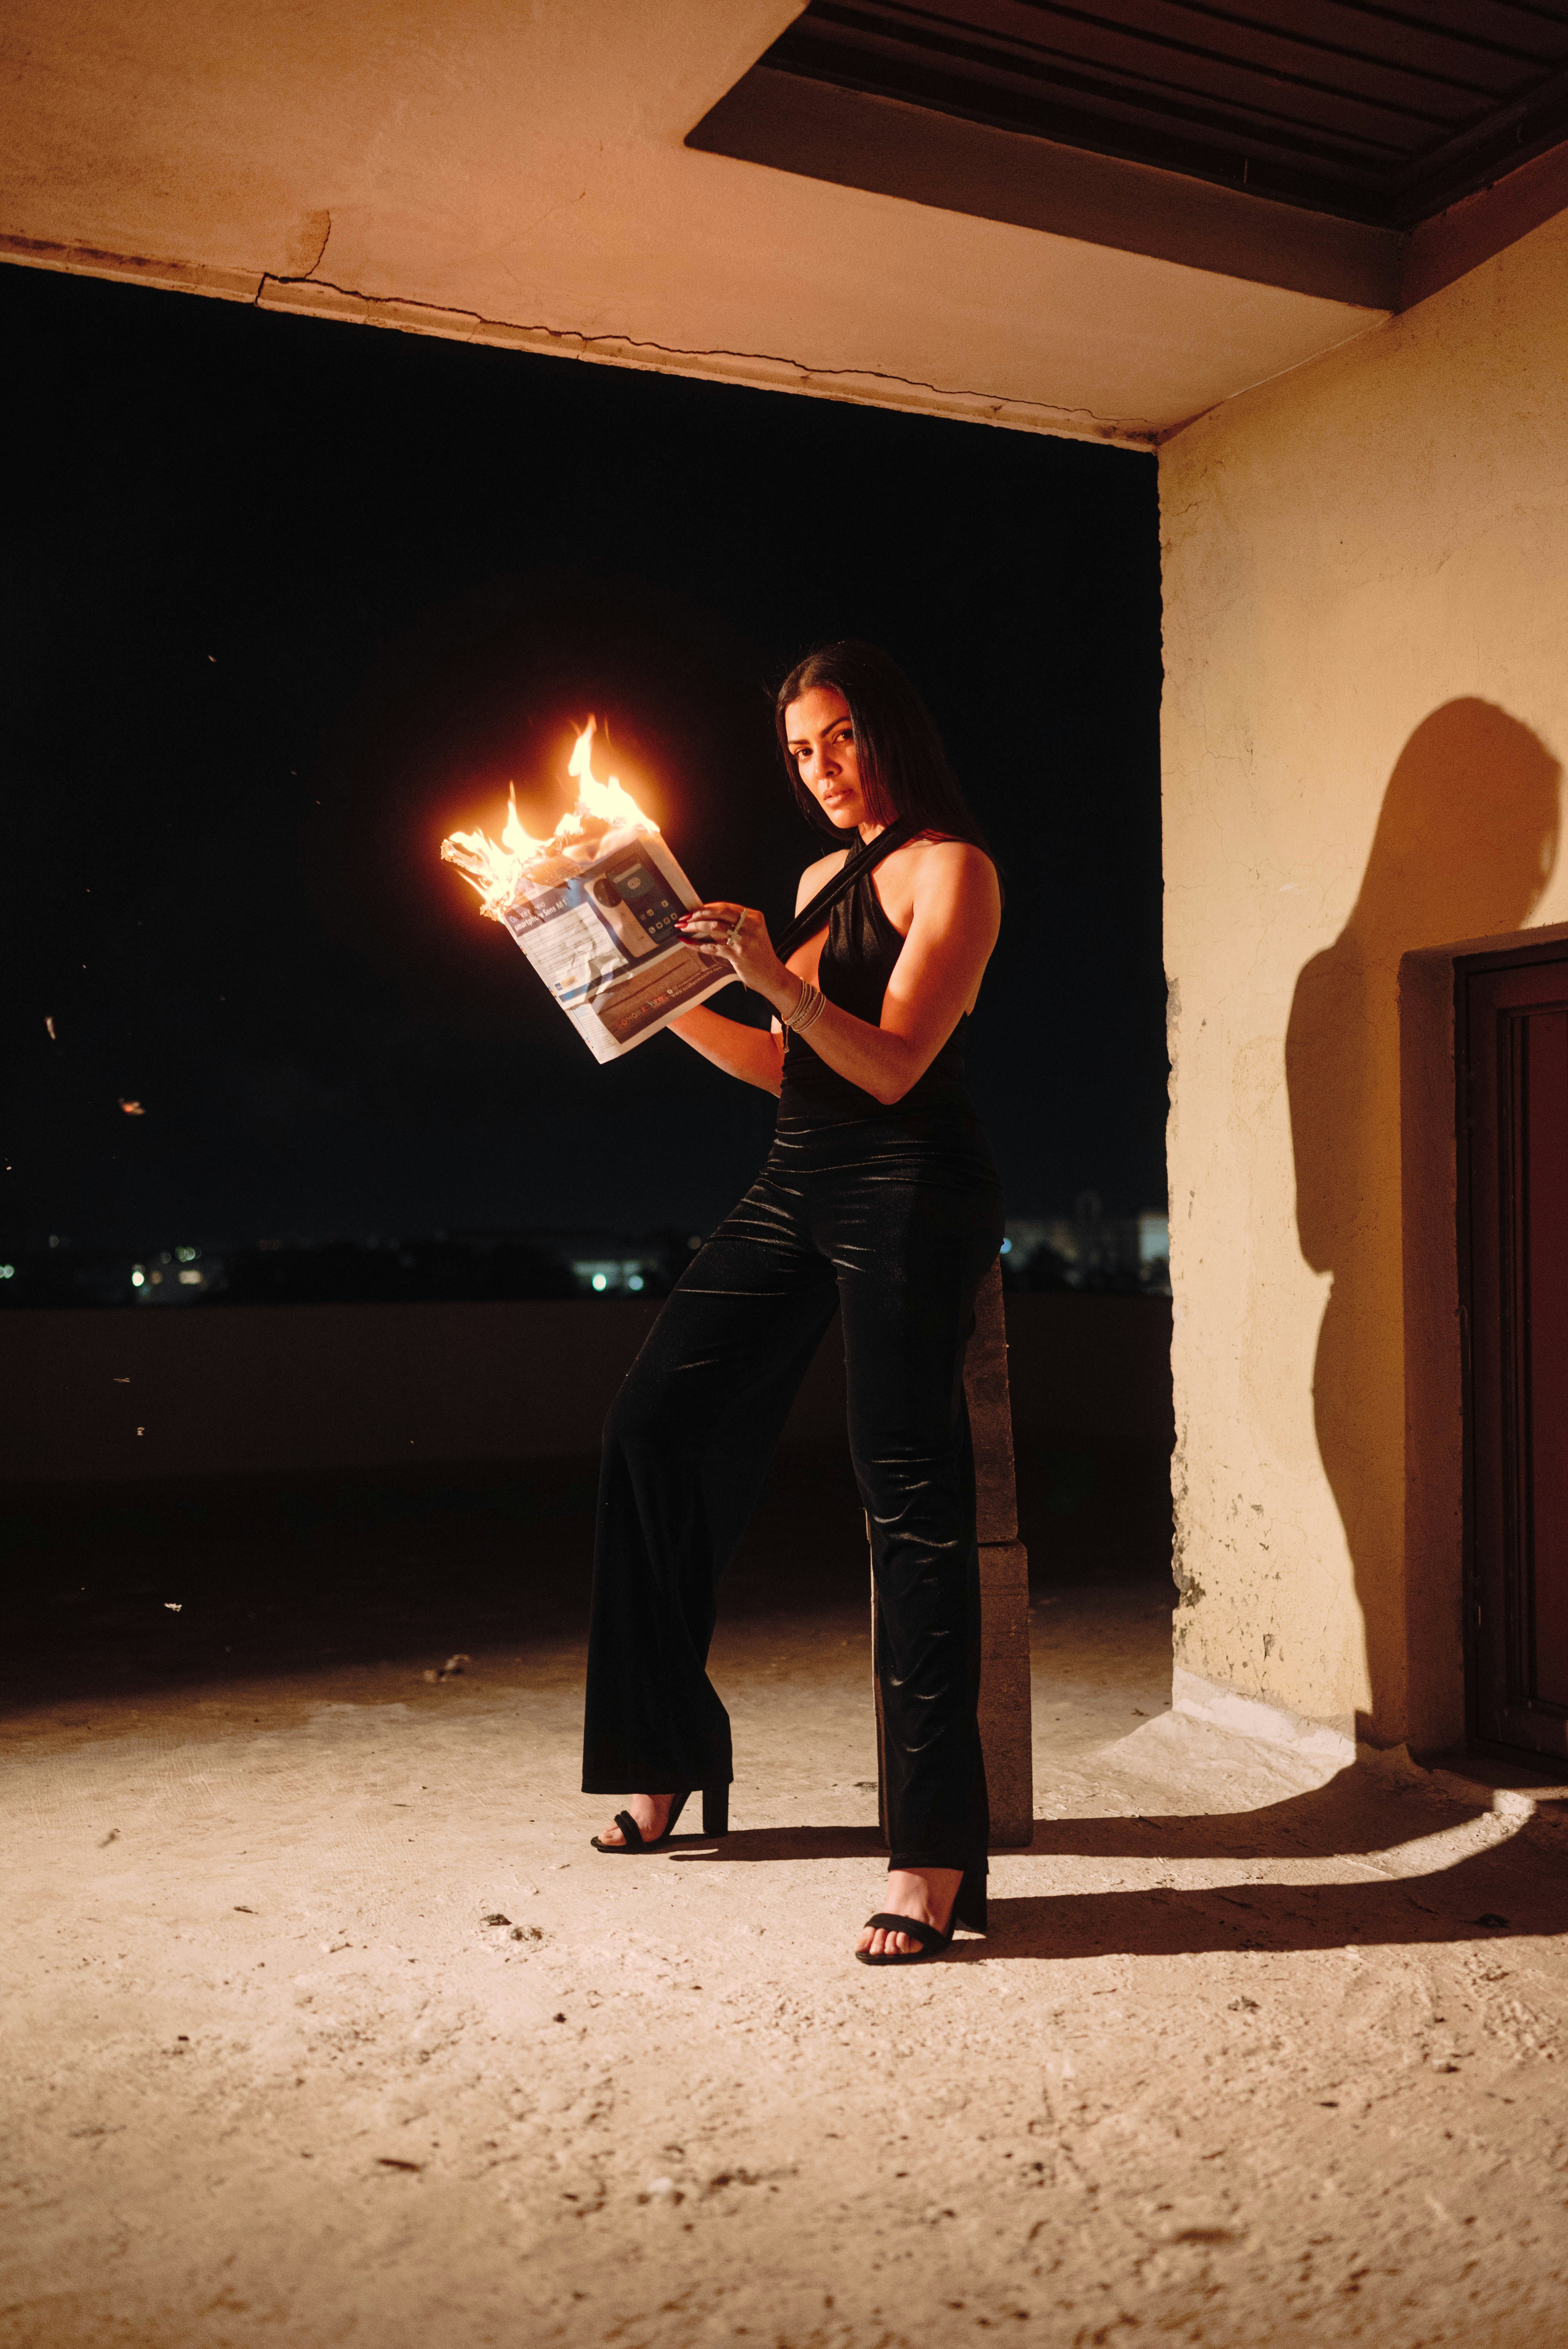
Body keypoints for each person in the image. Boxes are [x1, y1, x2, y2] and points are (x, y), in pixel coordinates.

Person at [581, 641, 1004, 1963]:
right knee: (651, 1428)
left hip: (908, 1185)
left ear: (888, 732)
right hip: (795, 1177)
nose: (818, 771)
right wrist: (635, 994)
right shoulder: (825, 878)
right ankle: (665, 1756)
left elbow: (887, 1069)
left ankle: (933, 1856)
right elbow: (785, 1068)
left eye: (836, 740)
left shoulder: (957, 871)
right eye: (797, 752)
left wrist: (769, 977)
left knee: (908, 1492)